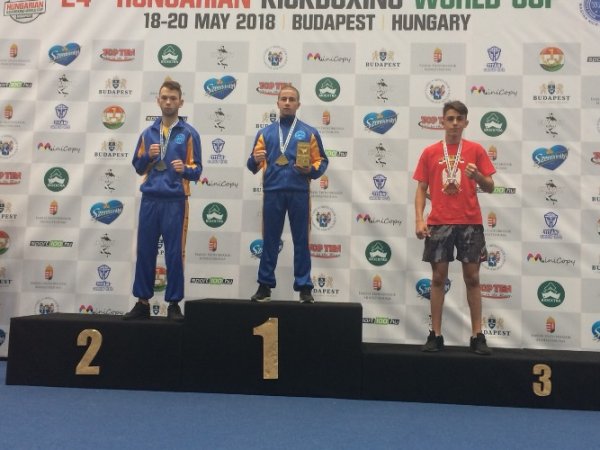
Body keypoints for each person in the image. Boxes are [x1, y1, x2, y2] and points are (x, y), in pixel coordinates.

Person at [413, 100, 495, 355]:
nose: (455, 123)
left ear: (466, 122)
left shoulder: (476, 150)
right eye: (450, 118)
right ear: (442, 122)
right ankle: (435, 335)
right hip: (439, 222)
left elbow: (491, 186)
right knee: (438, 279)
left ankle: (477, 335)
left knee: (473, 278)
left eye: (459, 119)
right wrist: (419, 219)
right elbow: (421, 189)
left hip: (470, 222)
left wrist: (478, 176)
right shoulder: (430, 152)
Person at [124, 79, 202, 321]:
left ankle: (174, 304)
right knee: (145, 251)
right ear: (158, 101)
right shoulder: (148, 134)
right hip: (150, 199)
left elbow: (197, 170)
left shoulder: (189, 134)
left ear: (181, 102)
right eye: (165, 98)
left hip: (175, 201)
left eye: (173, 98)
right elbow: (138, 167)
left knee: (174, 254)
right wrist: (147, 156)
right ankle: (142, 302)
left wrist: (184, 169)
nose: (168, 102)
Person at [247, 85, 328, 303]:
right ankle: (264, 286)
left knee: (301, 240)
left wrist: (310, 170)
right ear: (277, 103)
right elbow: (252, 164)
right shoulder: (265, 133)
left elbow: (322, 161)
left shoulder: (309, 132)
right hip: (272, 192)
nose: (287, 103)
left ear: (298, 104)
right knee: (270, 240)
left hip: (299, 192)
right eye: (283, 99)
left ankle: (304, 287)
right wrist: (254, 159)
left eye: (292, 99)